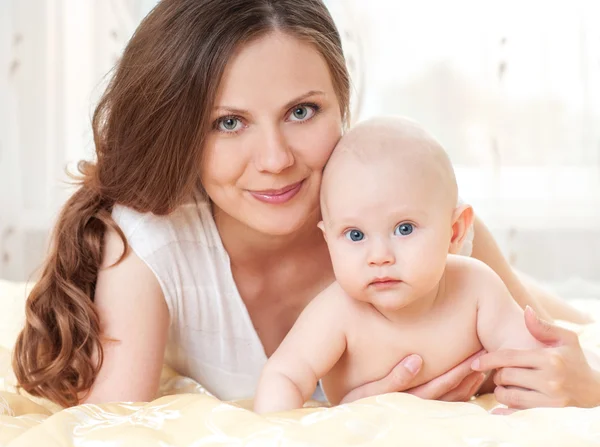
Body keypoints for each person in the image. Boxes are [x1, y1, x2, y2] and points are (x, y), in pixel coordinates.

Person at [11, 0, 599, 411]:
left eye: (301, 111)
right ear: (182, 130)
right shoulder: (153, 246)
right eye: (229, 122)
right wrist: (339, 420)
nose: (274, 159)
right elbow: (116, 425)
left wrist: (583, 385)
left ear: (342, 103)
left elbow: (549, 352)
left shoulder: (408, 219)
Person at [253, 116, 548, 413]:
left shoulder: (476, 288)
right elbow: (284, 375)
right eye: (355, 235)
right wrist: (280, 429)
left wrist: (521, 414)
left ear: (455, 231)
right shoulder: (336, 313)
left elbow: (531, 359)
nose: (379, 256)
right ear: (329, 240)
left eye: (404, 229)